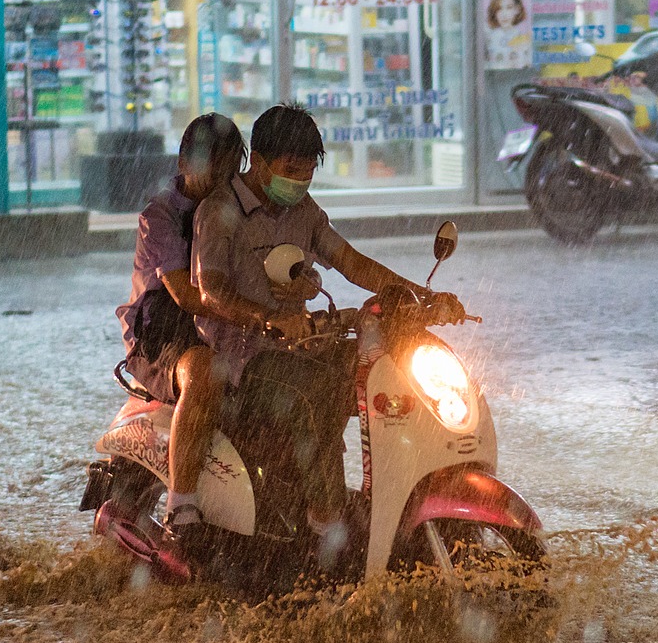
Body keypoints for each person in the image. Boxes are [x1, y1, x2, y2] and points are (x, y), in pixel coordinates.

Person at [191, 102, 444, 550]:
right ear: (261, 162)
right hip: (240, 362)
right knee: (318, 393)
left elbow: (349, 261)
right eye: (291, 169)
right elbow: (210, 292)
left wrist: (417, 296)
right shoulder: (219, 211)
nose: (300, 182)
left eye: (308, 172)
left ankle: (395, 499)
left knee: (385, 372)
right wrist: (267, 318)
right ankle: (326, 523)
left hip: (300, 349)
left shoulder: (303, 211)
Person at [114, 113, 247, 544]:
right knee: (205, 372)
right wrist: (257, 315)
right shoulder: (162, 216)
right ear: (184, 162)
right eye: (213, 168)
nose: (220, 181)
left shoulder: (240, 211)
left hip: (221, 319)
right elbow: (186, 297)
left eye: (230, 170)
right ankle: (181, 502)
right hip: (162, 329)